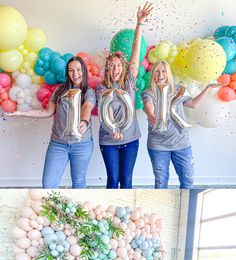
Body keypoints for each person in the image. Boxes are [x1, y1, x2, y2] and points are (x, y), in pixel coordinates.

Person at [8, 56, 95, 188]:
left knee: (78, 181)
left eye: (78, 70)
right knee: (49, 184)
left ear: (83, 70)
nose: (75, 74)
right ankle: (54, 208)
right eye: (71, 70)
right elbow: (47, 112)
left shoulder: (89, 92)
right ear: (67, 72)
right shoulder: (59, 90)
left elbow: (87, 107)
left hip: (81, 145)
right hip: (58, 144)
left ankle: (78, 208)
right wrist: (21, 113)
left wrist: (84, 121)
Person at [96, 2, 153, 189]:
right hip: (109, 140)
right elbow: (107, 113)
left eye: (119, 65)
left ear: (124, 67)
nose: (115, 69)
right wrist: (113, 130)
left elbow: (136, 52)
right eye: (112, 65)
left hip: (131, 141)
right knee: (113, 181)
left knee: (127, 181)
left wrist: (139, 24)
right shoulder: (101, 88)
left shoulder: (129, 82)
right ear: (107, 68)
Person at [141, 60, 220, 189]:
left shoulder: (178, 90)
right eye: (157, 71)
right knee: (161, 182)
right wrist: (150, 115)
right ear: (153, 74)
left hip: (181, 143)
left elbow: (193, 104)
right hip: (158, 145)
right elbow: (147, 104)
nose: (160, 74)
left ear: (168, 74)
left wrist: (208, 88)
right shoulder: (148, 92)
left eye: (164, 71)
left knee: (187, 181)